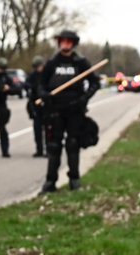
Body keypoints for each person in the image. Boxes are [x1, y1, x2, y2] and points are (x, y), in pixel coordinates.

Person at [38, 30, 98, 193]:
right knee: (53, 146)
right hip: (55, 110)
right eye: (63, 41)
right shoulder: (52, 63)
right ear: (59, 43)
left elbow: (94, 83)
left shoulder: (81, 63)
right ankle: (50, 182)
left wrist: (84, 98)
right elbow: (41, 84)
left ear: (73, 44)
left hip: (74, 110)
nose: (65, 44)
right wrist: (44, 94)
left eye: (68, 41)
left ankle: (74, 180)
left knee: (73, 144)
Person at [25, 55, 47, 157]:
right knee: (37, 129)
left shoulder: (47, 74)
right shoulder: (32, 76)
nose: (38, 68)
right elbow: (26, 85)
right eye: (36, 67)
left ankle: (48, 150)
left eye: (40, 66)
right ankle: (39, 150)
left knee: (48, 129)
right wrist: (30, 89)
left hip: (46, 104)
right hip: (36, 105)